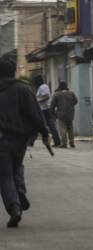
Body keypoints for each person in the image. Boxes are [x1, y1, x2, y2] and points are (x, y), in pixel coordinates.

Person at [0, 56, 50, 228]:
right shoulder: (23, 89)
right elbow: (35, 115)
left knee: (5, 175)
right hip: (19, 139)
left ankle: (14, 208)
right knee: (17, 166)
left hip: (1, 140)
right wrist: (44, 133)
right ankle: (20, 190)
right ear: (13, 71)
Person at [34, 75, 61, 147]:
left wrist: (37, 101)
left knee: (40, 124)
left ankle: (31, 141)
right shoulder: (43, 86)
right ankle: (57, 141)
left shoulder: (42, 87)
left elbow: (47, 96)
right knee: (50, 125)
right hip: (45, 109)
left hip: (45, 109)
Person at [50, 81, 78, 148]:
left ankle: (64, 143)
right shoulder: (71, 93)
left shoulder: (56, 94)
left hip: (61, 114)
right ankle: (72, 143)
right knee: (70, 128)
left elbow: (52, 106)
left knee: (62, 128)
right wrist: (70, 106)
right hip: (71, 113)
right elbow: (76, 101)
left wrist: (53, 113)